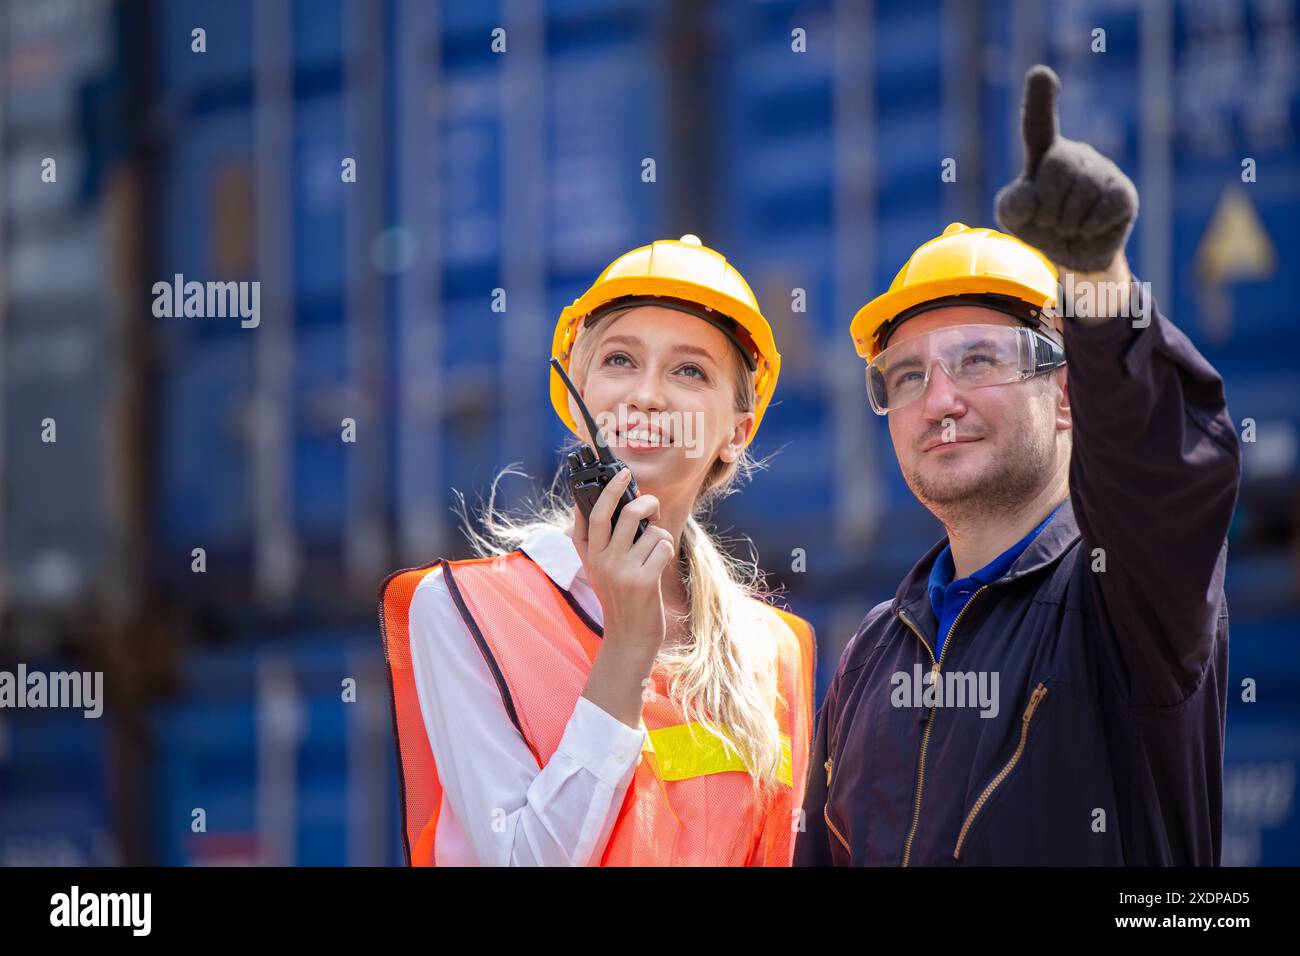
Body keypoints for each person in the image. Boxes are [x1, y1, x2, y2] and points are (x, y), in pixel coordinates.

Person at [795, 65, 1241, 865]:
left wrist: (1102, 294)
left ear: (1067, 393)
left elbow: (1163, 476)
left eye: (978, 361)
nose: (939, 402)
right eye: (908, 375)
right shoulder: (873, 652)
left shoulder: (1127, 595)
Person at [380, 235, 816, 866]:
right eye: (619, 361)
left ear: (736, 433)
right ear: (577, 406)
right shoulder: (464, 610)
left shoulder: (775, 651)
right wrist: (628, 649)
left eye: (689, 370)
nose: (647, 395)